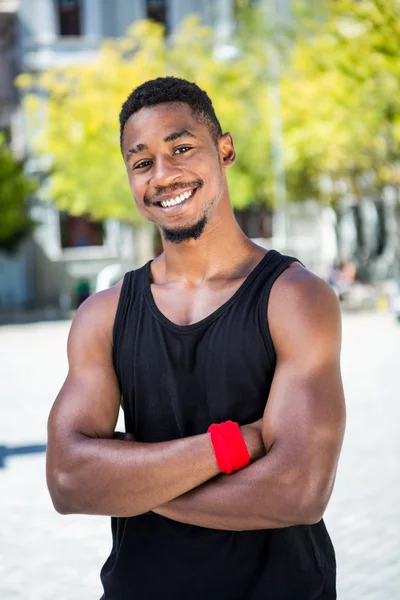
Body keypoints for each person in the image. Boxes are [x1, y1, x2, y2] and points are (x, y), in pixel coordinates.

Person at [46, 77, 346, 600]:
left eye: (181, 148)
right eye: (142, 163)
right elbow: (69, 481)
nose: (163, 175)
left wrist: (130, 482)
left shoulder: (296, 299)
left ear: (224, 150)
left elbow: (298, 492)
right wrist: (233, 445)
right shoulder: (103, 315)